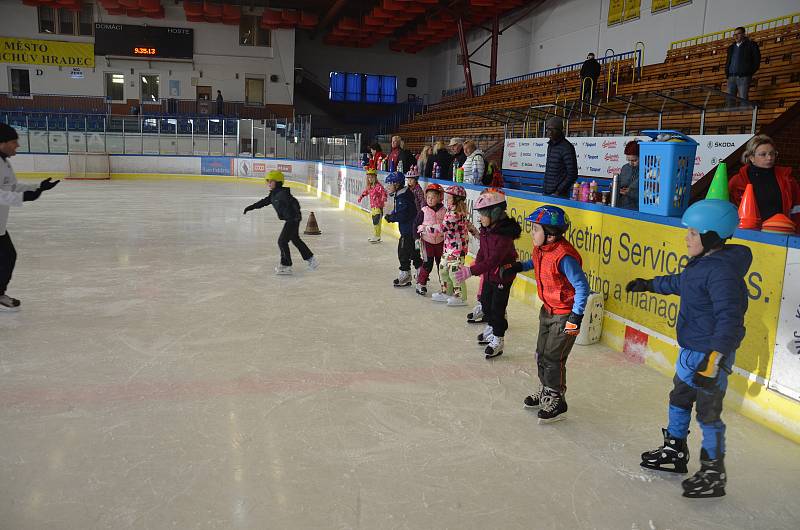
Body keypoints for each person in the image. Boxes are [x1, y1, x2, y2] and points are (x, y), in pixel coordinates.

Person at [625, 199, 750, 498]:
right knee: (679, 396)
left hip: (710, 355)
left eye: (693, 233)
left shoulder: (721, 273)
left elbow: (730, 319)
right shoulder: (702, 265)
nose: (687, 238)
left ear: (711, 235)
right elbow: (680, 282)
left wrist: (715, 359)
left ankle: (712, 474)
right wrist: (650, 284)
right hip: (692, 350)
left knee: (708, 413)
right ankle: (675, 450)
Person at [501, 206, 589, 423]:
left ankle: (557, 399)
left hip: (566, 315)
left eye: (536, 229)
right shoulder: (541, 249)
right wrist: (519, 266)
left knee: (554, 358)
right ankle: (546, 390)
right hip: (547, 311)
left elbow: (582, 287)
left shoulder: (564, 256)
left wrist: (575, 318)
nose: (532, 232)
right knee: (541, 353)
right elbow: (536, 263)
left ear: (551, 234)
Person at [455, 188, 522, 358]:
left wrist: (472, 270)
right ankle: (492, 327)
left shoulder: (504, 236)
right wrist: (476, 263)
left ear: (496, 213)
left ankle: (498, 338)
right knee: (485, 302)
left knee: (497, 308)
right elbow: (484, 252)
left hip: (502, 276)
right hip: (490, 275)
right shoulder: (487, 229)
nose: (480, 218)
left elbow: (494, 260)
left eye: (483, 214)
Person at [0, 123, 60, 311]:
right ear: (2, 143)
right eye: (13, 142)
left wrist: (37, 187)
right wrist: (24, 197)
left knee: (8, 256)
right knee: (7, 256)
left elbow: (11, 187)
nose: (17, 145)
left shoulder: (4, 162)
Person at [243, 170, 318, 275]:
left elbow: (295, 202)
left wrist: (296, 216)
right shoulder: (273, 194)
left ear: (277, 182)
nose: (268, 183)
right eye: (267, 181)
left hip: (292, 219)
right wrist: (250, 207)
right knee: (295, 240)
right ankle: (311, 259)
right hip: (291, 219)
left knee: (282, 241)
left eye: (271, 181)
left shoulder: (282, 194)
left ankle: (286, 265)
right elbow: (263, 202)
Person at [728, 134, 800, 232]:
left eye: (772, 153)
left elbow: (797, 210)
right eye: (763, 154)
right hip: (746, 234)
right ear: (751, 157)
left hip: (781, 234)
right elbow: (729, 212)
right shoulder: (737, 181)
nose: (769, 157)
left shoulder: (788, 180)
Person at [433, 185, 478, 307]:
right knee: (443, 269)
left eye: (449, 198)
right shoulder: (451, 211)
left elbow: (442, 228)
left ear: (457, 199)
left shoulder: (455, 215)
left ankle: (460, 297)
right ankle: (446, 292)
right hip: (448, 248)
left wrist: (425, 228)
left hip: (458, 250)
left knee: (455, 272)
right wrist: (475, 232)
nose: (446, 200)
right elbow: (467, 224)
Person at [384, 171, 419, 287]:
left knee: (403, 252)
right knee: (413, 252)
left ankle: (405, 274)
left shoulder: (402, 196)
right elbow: (403, 210)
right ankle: (420, 272)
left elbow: (403, 215)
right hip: (411, 229)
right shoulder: (403, 194)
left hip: (408, 231)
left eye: (390, 184)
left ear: (397, 184)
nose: (388, 187)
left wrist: (391, 217)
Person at [415, 183, 446, 296]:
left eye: (433, 197)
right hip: (427, 241)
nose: (430, 199)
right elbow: (415, 225)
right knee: (428, 264)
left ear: (439, 198)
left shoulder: (444, 211)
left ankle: (445, 286)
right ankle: (421, 283)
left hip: (440, 242)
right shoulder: (424, 211)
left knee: (441, 265)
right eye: (428, 197)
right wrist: (416, 239)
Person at [543, 116, 578, 197]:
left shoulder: (567, 148)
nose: (550, 132)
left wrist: (558, 191)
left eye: (553, 129)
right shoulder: (550, 145)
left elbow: (572, 174)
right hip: (546, 192)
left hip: (560, 196)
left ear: (560, 130)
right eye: (548, 129)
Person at [725, 27, 760, 106]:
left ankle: (743, 117)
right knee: (729, 101)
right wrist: (727, 72)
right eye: (734, 34)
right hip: (731, 77)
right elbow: (728, 61)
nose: (736, 36)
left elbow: (757, 60)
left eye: (738, 34)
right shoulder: (731, 47)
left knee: (743, 100)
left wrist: (748, 72)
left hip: (743, 77)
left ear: (744, 34)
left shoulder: (751, 45)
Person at [358, 167, 388, 243]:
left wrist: (383, 198)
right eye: (369, 177)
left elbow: (384, 193)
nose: (370, 179)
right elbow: (366, 192)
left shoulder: (378, 186)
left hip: (378, 207)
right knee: (375, 222)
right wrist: (361, 197)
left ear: (375, 177)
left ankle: (377, 236)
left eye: (372, 177)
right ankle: (376, 235)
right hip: (373, 207)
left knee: (376, 221)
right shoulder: (370, 186)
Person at [616, 140, 640, 210]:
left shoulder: (648, 171)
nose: (630, 163)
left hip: (639, 209)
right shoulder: (625, 168)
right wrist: (616, 188)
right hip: (622, 206)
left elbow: (649, 195)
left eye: (634, 160)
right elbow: (620, 185)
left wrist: (629, 193)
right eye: (628, 160)